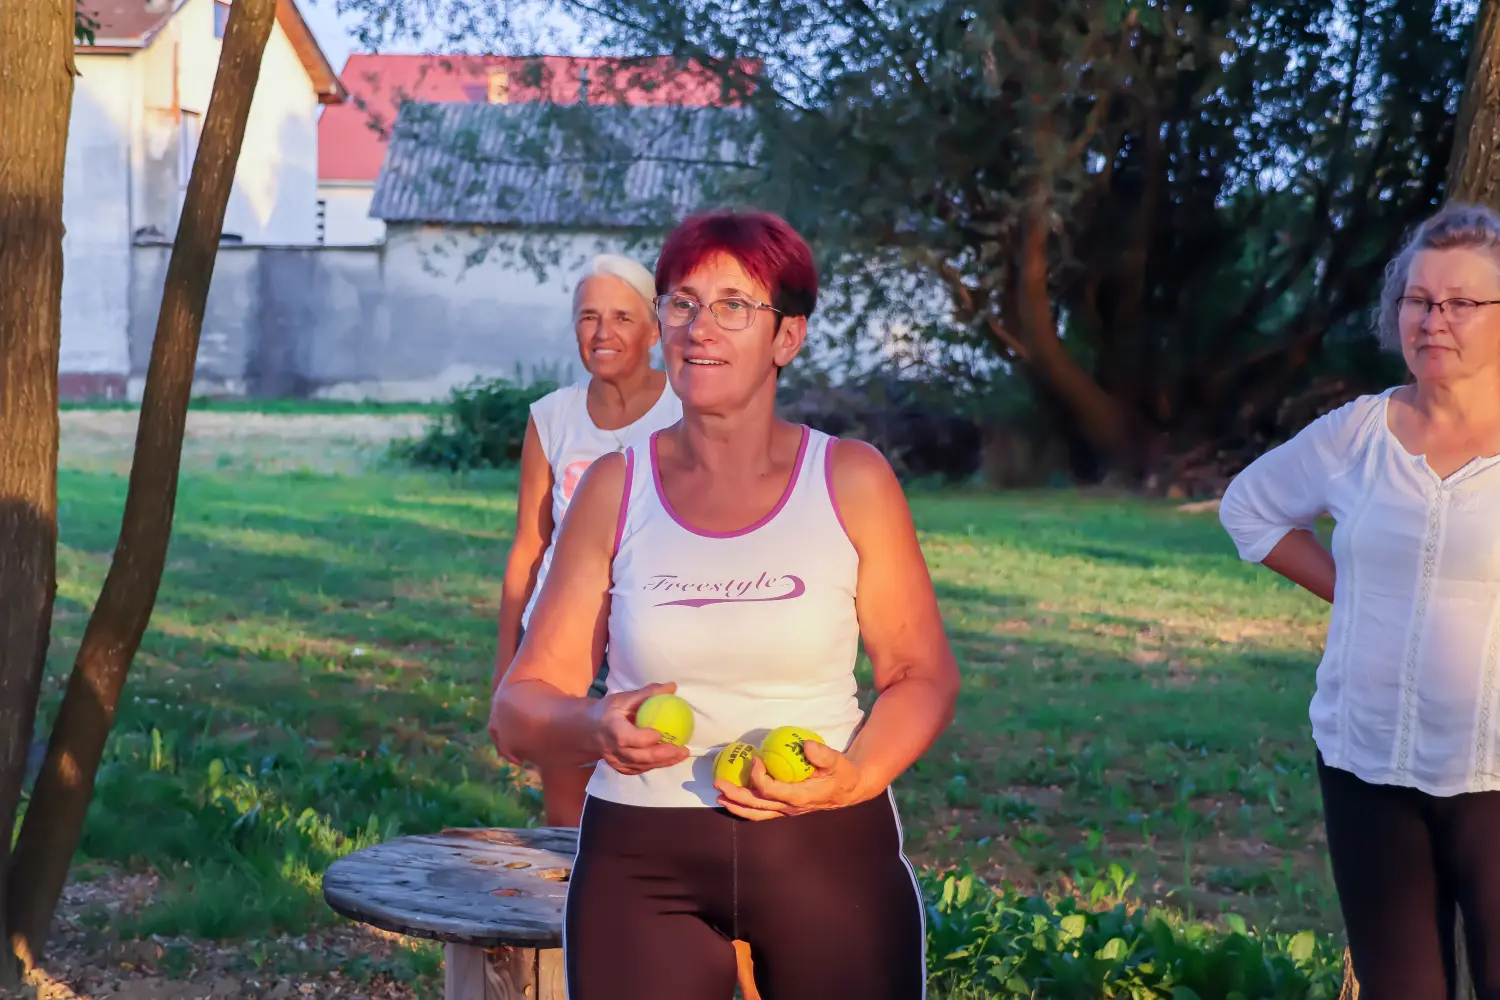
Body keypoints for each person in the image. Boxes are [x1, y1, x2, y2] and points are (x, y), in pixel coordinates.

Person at [488, 209, 959, 1000]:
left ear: (787, 337)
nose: (699, 327)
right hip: (641, 864)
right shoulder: (614, 488)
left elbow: (923, 676)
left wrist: (852, 779)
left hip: (826, 848)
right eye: (683, 303)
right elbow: (519, 710)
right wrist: (594, 725)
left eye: (734, 305)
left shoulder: (852, 479)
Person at [1219, 202, 1500, 999]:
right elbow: (1249, 508)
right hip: (1367, 763)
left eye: (1462, 302)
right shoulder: (1359, 434)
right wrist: (1359, 597)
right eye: (1418, 300)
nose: (1434, 320)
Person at [492, 253, 681, 827]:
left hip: (651, 634)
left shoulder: (686, 409)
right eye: (588, 317)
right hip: (565, 640)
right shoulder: (552, 417)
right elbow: (530, 545)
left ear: (653, 330)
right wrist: (508, 672)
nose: (603, 333)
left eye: (622, 317)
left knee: (660, 807)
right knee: (567, 820)